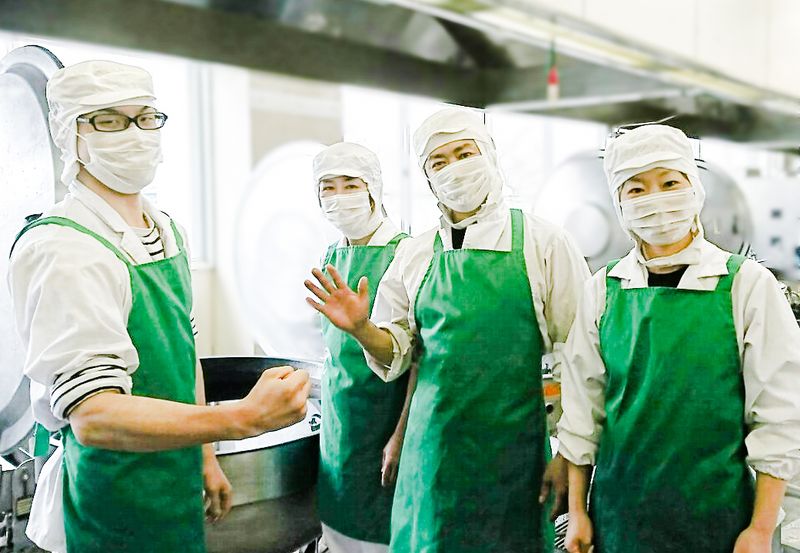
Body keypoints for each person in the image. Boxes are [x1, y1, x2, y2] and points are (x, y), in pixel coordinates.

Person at [8, 60, 310, 553]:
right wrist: (242, 418)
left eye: (146, 117)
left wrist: (205, 455)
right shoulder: (64, 248)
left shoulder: (166, 230)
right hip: (113, 498)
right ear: (70, 134)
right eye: (109, 120)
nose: (135, 133)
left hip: (175, 480)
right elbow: (95, 415)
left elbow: (185, 352)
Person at [305, 107, 590, 552]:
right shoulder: (417, 254)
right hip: (431, 456)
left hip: (512, 458)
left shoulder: (543, 244)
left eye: (464, 153)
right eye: (439, 161)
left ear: (489, 155)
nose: (454, 168)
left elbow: (582, 359)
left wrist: (569, 456)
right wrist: (361, 328)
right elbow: (398, 351)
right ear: (427, 178)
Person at [559, 124, 800, 553]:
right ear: (619, 203)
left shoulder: (745, 285)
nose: (655, 199)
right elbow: (582, 413)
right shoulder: (603, 290)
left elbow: (779, 417)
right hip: (619, 518)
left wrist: (761, 529)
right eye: (636, 189)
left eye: (669, 183)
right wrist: (578, 510)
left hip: (720, 520)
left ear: (694, 188)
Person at [310, 142, 417, 553]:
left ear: (373, 189)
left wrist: (401, 435)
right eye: (328, 187)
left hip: (386, 422)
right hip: (342, 424)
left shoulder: (408, 253)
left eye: (350, 185)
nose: (339, 197)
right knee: (340, 530)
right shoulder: (332, 254)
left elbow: (421, 358)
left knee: (387, 534)